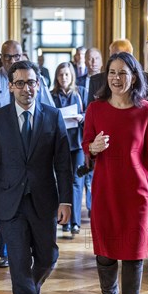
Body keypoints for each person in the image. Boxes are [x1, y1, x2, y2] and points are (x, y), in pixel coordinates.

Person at [0, 60, 73, 294]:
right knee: (18, 264)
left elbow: (63, 165)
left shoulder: (52, 117)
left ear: (38, 84)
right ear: (10, 86)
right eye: (19, 83)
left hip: (44, 201)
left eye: (31, 82)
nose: (26, 88)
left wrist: (66, 200)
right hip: (9, 204)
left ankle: (32, 286)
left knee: (48, 256)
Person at [82, 52, 148, 294]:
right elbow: (86, 147)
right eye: (112, 73)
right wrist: (92, 147)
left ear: (134, 77)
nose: (116, 79)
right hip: (105, 191)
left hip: (137, 194)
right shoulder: (95, 109)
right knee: (105, 252)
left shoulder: (146, 111)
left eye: (123, 73)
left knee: (134, 257)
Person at [0, 41, 54, 268]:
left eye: (15, 56)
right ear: (1, 57)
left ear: (22, 55)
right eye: (7, 57)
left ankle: (26, 248)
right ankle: (7, 252)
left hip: (30, 148)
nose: (11, 61)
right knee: (4, 200)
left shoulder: (35, 80)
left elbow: (48, 109)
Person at [51, 62, 86, 235]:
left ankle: (75, 222)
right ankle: (63, 220)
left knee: (76, 181)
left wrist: (82, 117)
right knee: (60, 181)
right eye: (60, 75)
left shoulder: (80, 93)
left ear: (71, 76)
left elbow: (90, 113)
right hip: (59, 143)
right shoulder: (52, 95)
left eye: (66, 74)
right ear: (56, 77)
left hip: (77, 143)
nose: (63, 78)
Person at [77, 47, 103, 216]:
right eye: (89, 58)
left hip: (99, 131)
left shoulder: (107, 81)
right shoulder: (77, 81)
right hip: (79, 131)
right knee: (83, 173)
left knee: (96, 175)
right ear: (84, 61)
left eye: (96, 58)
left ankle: (95, 209)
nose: (92, 62)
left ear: (101, 61)